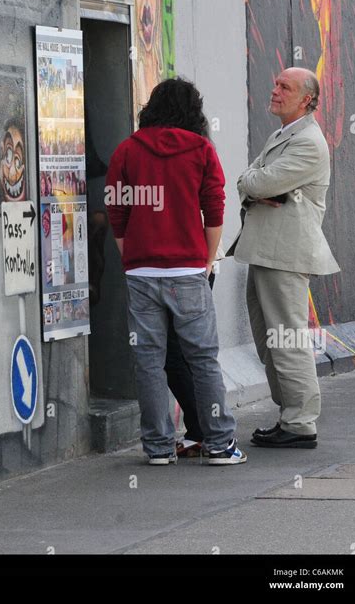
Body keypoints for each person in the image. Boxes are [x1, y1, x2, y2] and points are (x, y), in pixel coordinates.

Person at [105, 77, 247, 466]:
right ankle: (219, 444)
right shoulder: (201, 149)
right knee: (202, 358)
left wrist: (131, 255)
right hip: (187, 268)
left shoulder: (127, 150)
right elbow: (215, 208)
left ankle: (157, 448)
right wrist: (206, 259)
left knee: (148, 360)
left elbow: (117, 212)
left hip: (141, 271)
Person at [227, 67, 340, 448]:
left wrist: (254, 183)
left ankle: (300, 423)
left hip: (284, 255)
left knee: (286, 338)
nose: (274, 90)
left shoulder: (307, 141)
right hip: (267, 250)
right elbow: (249, 181)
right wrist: (253, 183)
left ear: (306, 99)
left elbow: (258, 181)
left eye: (284, 87)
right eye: (275, 83)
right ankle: (290, 416)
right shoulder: (285, 134)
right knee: (268, 339)